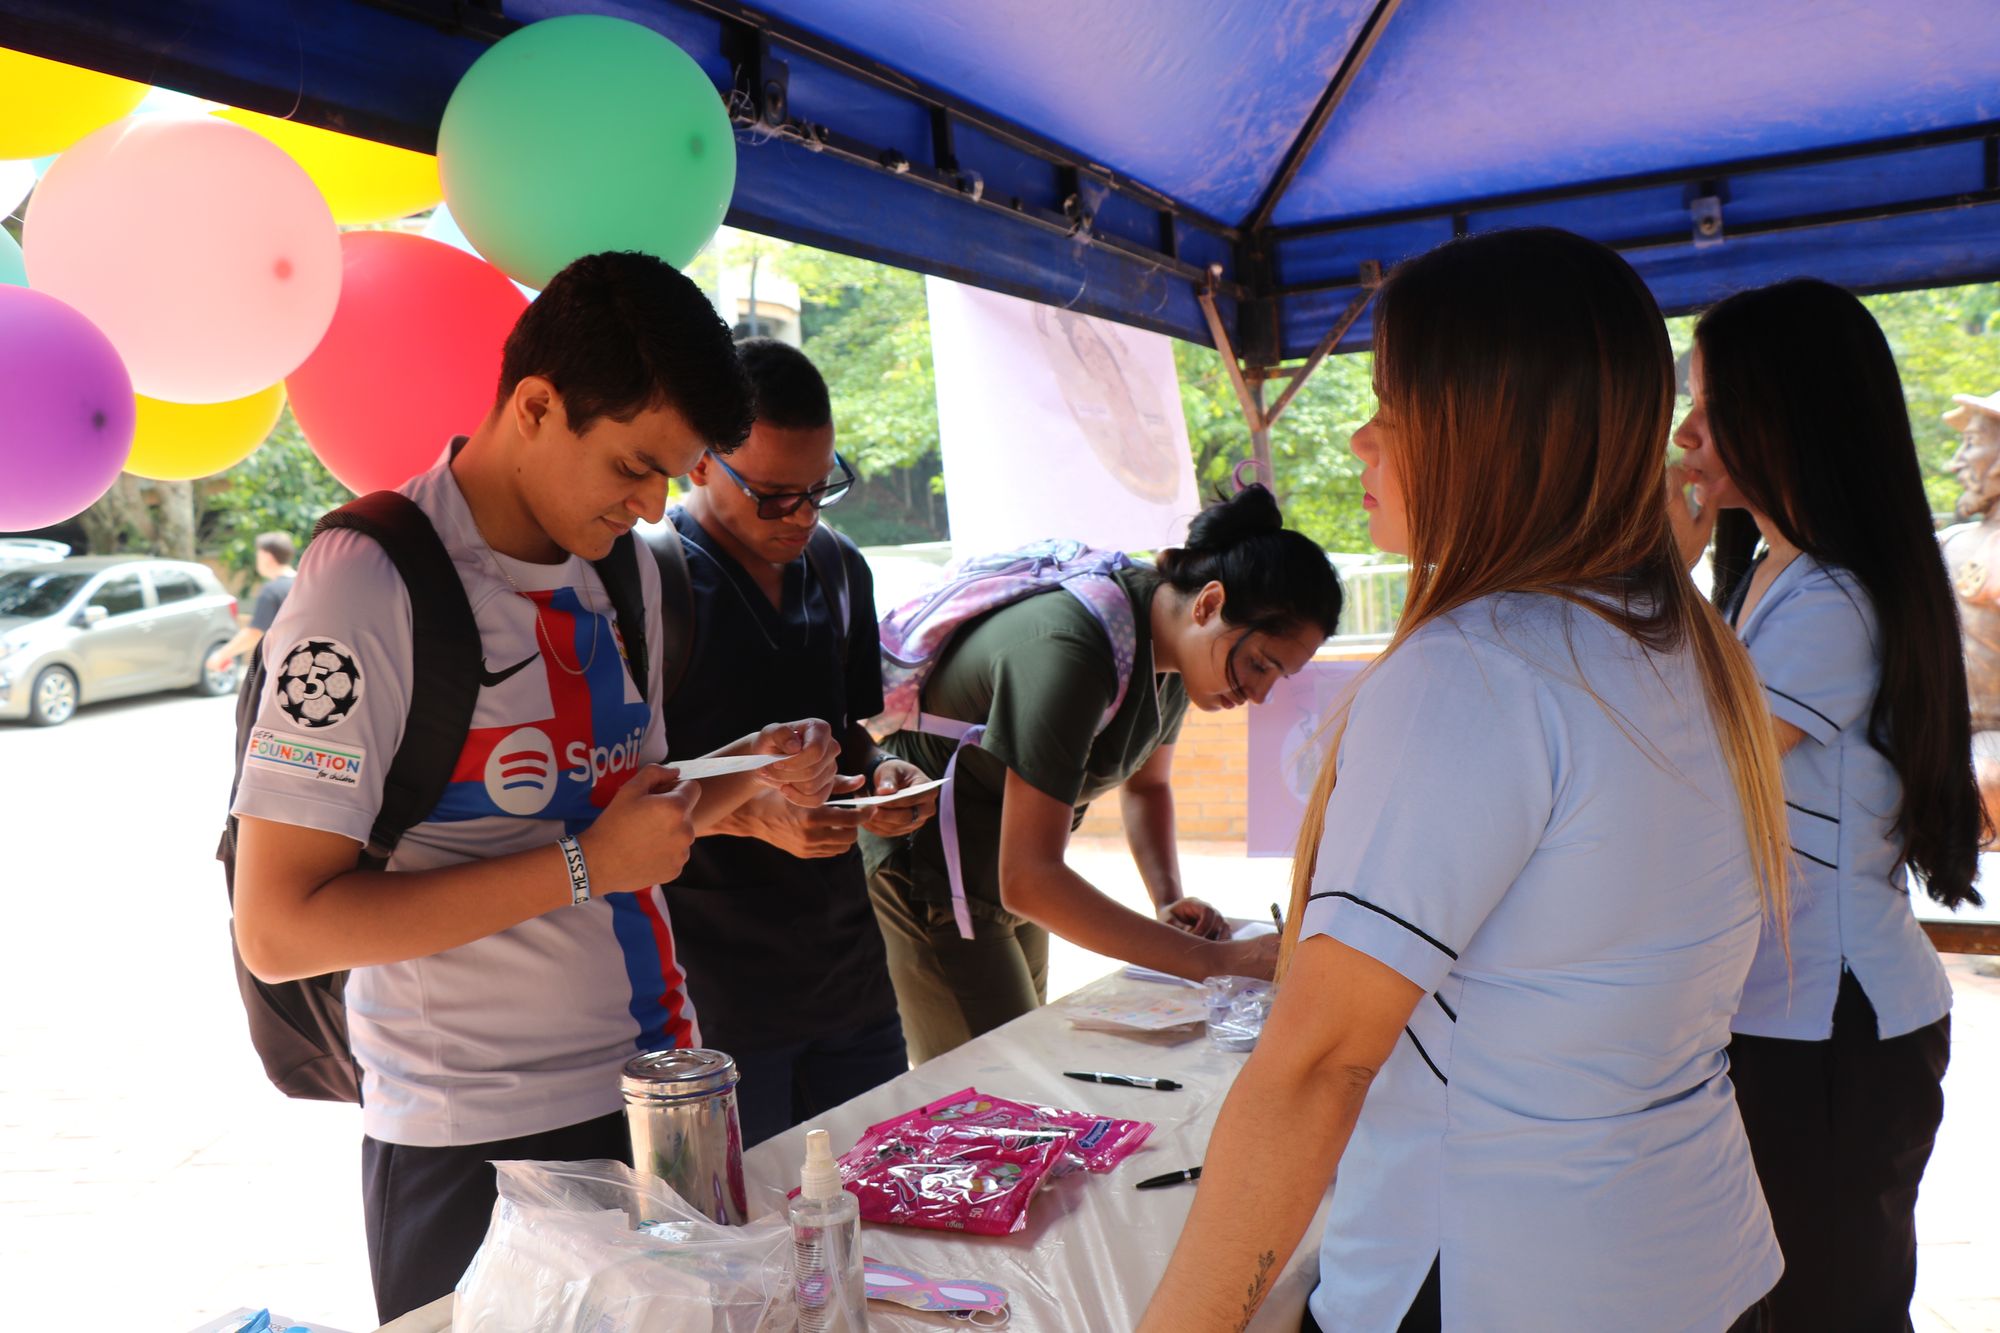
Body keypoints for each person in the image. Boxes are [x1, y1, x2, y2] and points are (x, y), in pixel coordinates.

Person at [1142, 228, 1788, 1332]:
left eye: (1389, 403)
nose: (1359, 437)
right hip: (1695, 1256)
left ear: (1485, 433)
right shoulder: (1685, 645)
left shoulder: (1475, 670)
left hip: (1503, 1278)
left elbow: (1314, 1067)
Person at [228, 252, 843, 1323]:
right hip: (476, 1143)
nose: (654, 504)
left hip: (663, 1103)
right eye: (632, 465)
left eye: (675, 472)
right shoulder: (365, 585)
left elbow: (618, 813)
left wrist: (741, 785)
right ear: (535, 404)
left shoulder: (631, 571)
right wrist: (582, 868)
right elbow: (279, 929)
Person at [1670, 278, 1985, 1330]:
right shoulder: (1768, 571)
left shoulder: (1834, 599)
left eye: (1709, 406)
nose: (1683, 432)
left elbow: (1685, 766)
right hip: (1780, 1014)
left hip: (1835, 1027)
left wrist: (1644, 564)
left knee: (1826, 1309)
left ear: (1786, 415)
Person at [864, 484, 1342, 1063]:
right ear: (1210, 604)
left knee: (1023, 1062)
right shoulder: (1074, 648)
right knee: (1002, 1086)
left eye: (1278, 677)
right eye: (1260, 663)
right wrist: (1219, 963)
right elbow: (1032, 879)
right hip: (937, 867)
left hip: (1001, 864)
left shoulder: (1179, 654)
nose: (1261, 694)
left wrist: (1168, 901)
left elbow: (1149, 785)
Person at [662, 338, 937, 1146]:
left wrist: (885, 775)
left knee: (874, 1204)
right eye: (775, 495)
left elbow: (849, 731)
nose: (803, 517)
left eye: (821, 490)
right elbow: (610, 786)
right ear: (700, 462)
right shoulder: (647, 579)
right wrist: (750, 811)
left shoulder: (841, 568)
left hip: (847, 974)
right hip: (710, 991)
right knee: (740, 1242)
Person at [207, 531, 295, 674]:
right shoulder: (305, 585)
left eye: (258, 555)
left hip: (281, 667)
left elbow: (254, 633)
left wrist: (221, 655)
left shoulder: (272, 591)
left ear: (267, 557)